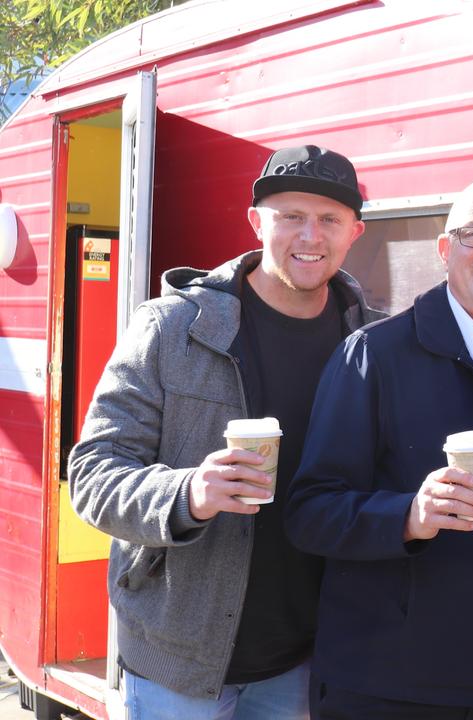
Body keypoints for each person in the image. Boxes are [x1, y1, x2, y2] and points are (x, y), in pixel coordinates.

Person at [68, 145, 379, 718]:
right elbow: (92, 474)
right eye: (290, 216)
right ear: (257, 221)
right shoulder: (174, 327)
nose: (310, 235)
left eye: (329, 219)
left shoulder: (373, 345)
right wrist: (188, 493)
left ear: (354, 232)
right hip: (179, 658)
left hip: (307, 657)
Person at [284, 177, 473, 719]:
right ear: (445, 251)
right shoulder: (373, 356)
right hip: (393, 689)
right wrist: (409, 515)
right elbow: (309, 512)